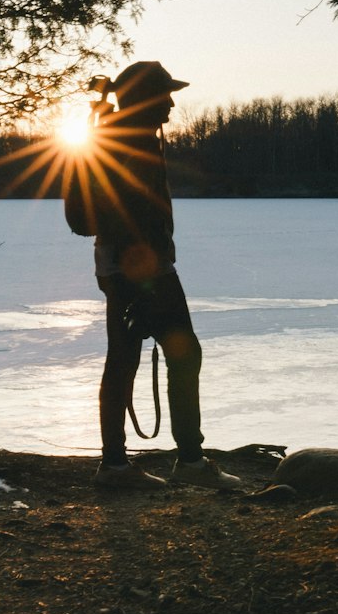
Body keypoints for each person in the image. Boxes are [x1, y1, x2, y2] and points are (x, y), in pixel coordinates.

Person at [80, 60, 238, 489]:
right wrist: (144, 283)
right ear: (147, 99)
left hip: (125, 265)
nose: (171, 103)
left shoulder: (118, 134)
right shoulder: (130, 141)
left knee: (128, 358)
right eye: (165, 95)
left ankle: (118, 464)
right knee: (177, 355)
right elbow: (129, 216)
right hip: (139, 267)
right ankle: (182, 462)